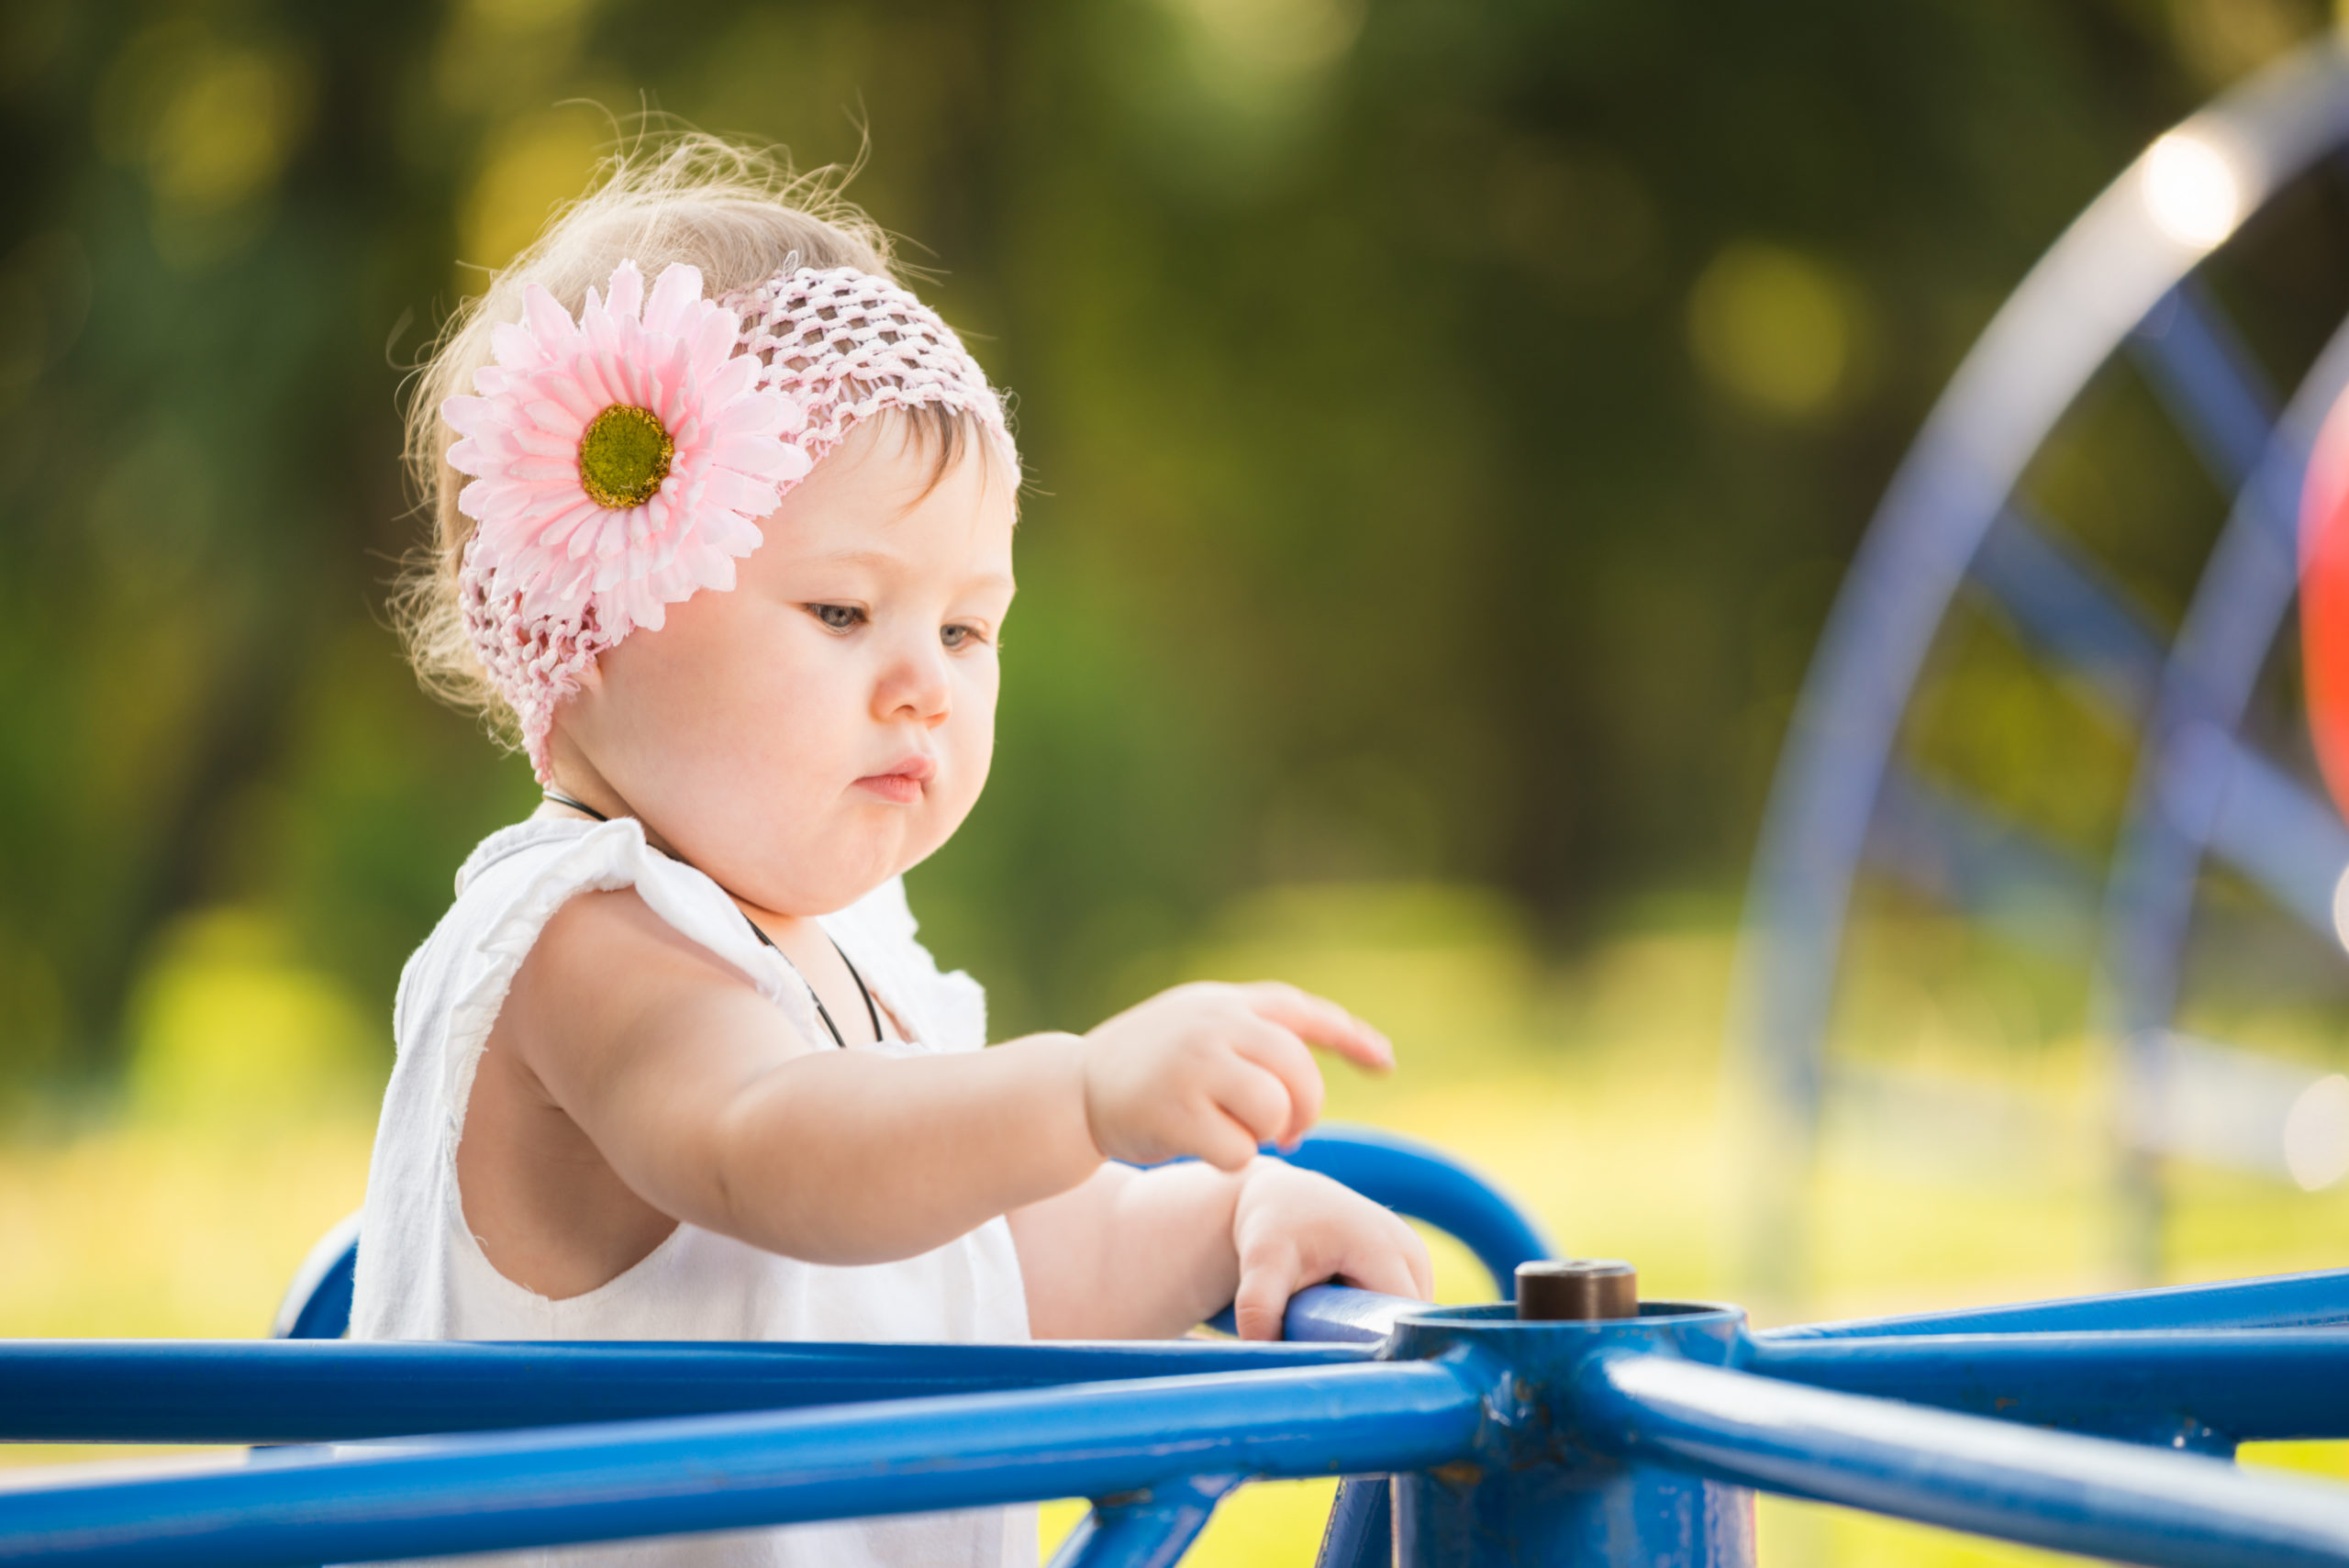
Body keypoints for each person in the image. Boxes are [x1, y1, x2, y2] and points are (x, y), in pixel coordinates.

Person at [353, 135, 1432, 1567]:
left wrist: (1226, 1220)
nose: (927, 682)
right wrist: (1083, 1087)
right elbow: (766, 1144)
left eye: (968, 627)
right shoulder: (582, 937)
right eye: (845, 613)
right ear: (594, 628)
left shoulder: (859, 961)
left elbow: (1005, 1262)